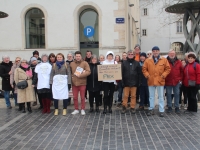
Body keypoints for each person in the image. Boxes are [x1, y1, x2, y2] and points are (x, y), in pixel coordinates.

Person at [142, 46, 171, 117]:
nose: (155, 52)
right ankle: (151, 109)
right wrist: (148, 76)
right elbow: (144, 69)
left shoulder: (164, 60)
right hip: (151, 80)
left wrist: (163, 76)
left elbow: (168, 69)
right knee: (151, 96)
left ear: (159, 51)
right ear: (152, 52)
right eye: (154, 51)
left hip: (160, 80)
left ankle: (161, 110)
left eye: (156, 51)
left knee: (161, 96)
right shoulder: (148, 60)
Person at [70, 51, 91, 115]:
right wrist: (72, 77)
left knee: (82, 97)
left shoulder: (85, 63)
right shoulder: (72, 64)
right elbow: (69, 72)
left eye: (79, 56)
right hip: (74, 83)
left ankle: (82, 109)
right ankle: (76, 109)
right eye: (77, 56)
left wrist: (81, 75)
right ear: (75, 57)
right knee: (75, 97)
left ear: (81, 56)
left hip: (82, 83)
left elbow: (88, 71)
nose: (78, 57)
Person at [165, 49, 183, 114]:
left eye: (173, 53)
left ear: (175, 54)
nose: (172, 54)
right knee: (168, 94)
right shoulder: (165, 61)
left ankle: (177, 107)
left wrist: (180, 78)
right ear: (168, 54)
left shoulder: (178, 62)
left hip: (176, 80)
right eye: (170, 53)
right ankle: (169, 107)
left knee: (177, 94)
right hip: (168, 80)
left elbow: (182, 71)